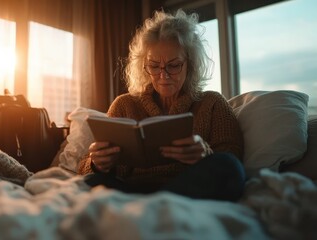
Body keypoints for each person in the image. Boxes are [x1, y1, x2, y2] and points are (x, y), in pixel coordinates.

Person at [77, 9, 245, 202]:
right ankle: (157, 208)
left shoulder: (212, 103)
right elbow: (85, 170)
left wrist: (205, 153)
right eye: (154, 66)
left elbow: (234, 157)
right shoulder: (124, 104)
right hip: (131, 190)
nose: (163, 75)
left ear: (190, 64)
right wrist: (97, 163)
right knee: (90, 181)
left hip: (188, 187)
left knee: (229, 167)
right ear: (144, 66)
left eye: (173, 65)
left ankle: (155, 207)